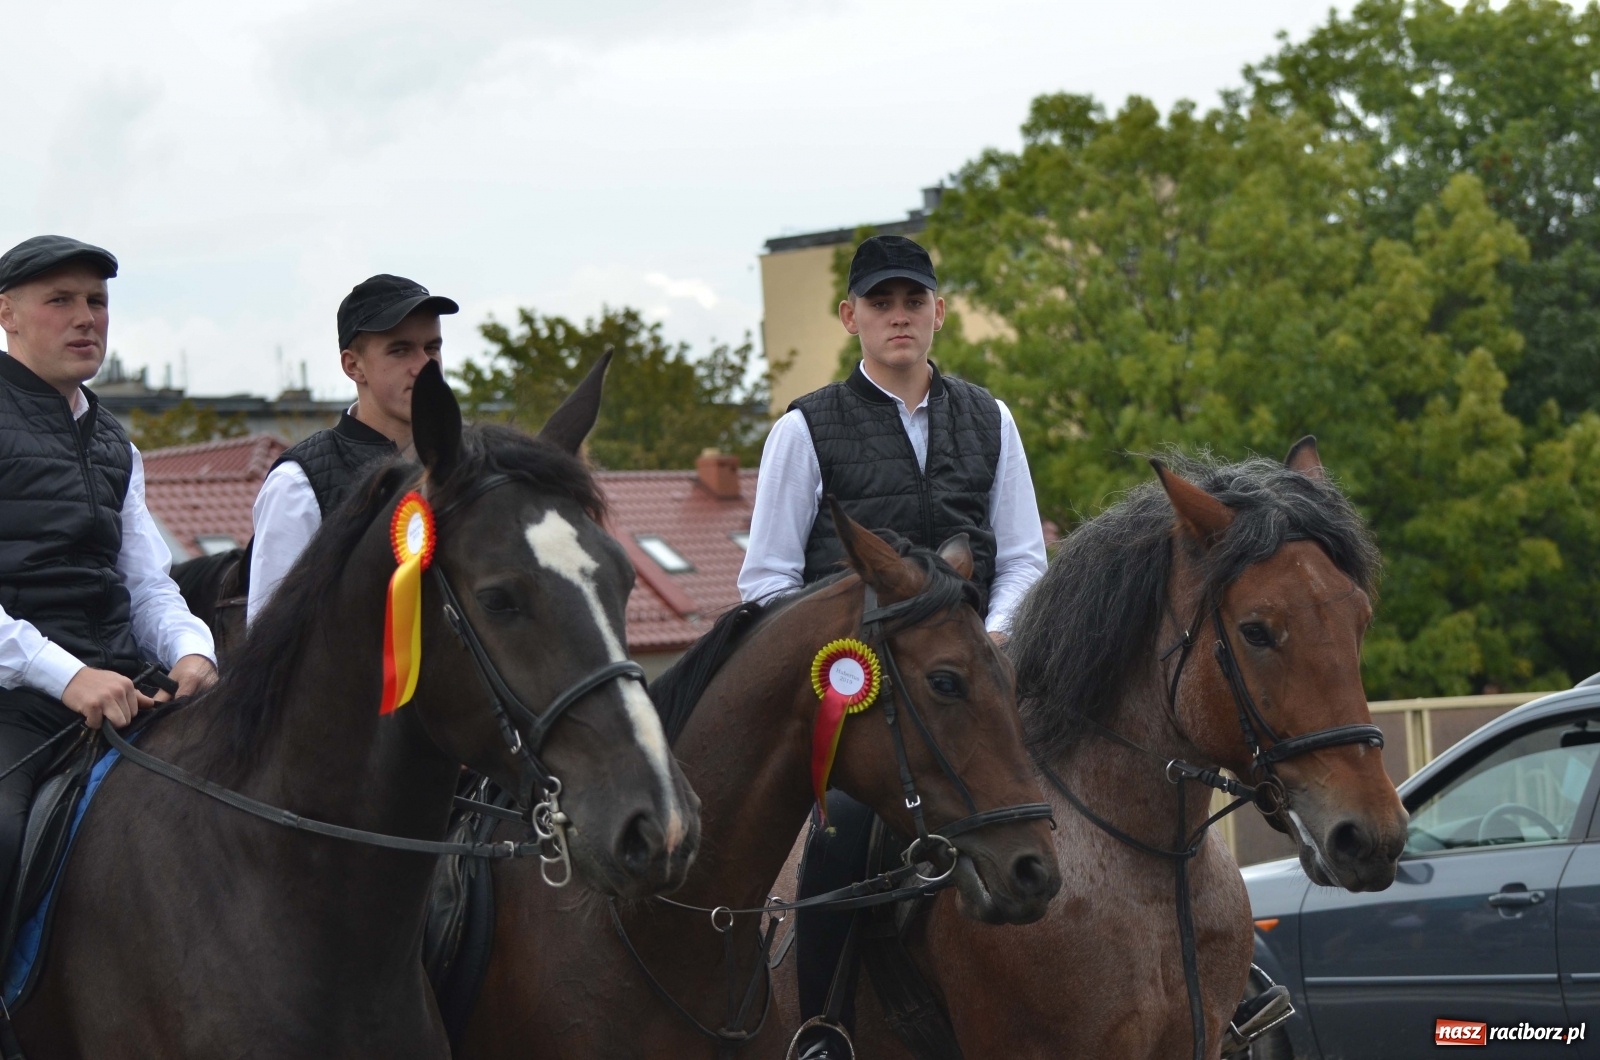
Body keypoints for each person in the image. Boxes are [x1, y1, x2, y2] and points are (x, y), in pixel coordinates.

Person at [737, 234, 1048, 1058]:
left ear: (939, 312)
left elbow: (1022, 560)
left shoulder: (992, 418)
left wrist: (987, 643)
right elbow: (764, 584)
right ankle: (821, 1027)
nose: (899, 316)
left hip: (974, 683)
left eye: (914, 301)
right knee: (839, 832)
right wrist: (844, 666)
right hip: (860, 696)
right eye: (881, 303)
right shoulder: (803, 429)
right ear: (851, 317)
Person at [0, 234, 217, 899]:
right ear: (6, 313)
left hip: (129, 687)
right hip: (17, 704)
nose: (85, 317)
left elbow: (148, 586)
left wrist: (192, 654)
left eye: (96, 301)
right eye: (60, 300)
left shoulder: (116, 442)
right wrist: (67, 677)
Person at [246, 274, 458, 625]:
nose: (424, 364)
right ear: (353, 365)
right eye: (400, 349)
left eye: (432, 348)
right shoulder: (300, 482)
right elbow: (268, 637)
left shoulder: (466, 461)